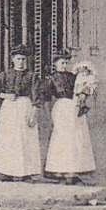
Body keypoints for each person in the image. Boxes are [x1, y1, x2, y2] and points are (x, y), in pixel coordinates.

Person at [42, 52, 95, 185]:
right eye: (62, 63)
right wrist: (48, 116)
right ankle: (58, 170)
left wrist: (84, 93)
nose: (64, 66)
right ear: (55, 64)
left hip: (74, 106)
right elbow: (47, 98)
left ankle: (73, 170)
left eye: (66, 63)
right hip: (61, 107)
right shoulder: (51, 78)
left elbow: (82, 87)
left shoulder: (74, 77)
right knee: (61, 138)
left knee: (75, 138)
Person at [0, 46, 42, 182]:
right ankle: (6, 171)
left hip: (25, 107)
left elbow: (37, 98)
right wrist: (6, 96)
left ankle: (26, 172)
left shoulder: (32, 77)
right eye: (18, 59)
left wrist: (33, 115)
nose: (21, 62)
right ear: (13, 60)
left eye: (23, 59)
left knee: (26, 139)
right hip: (9, 109)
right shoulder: (5, 75)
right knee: (8, 140)